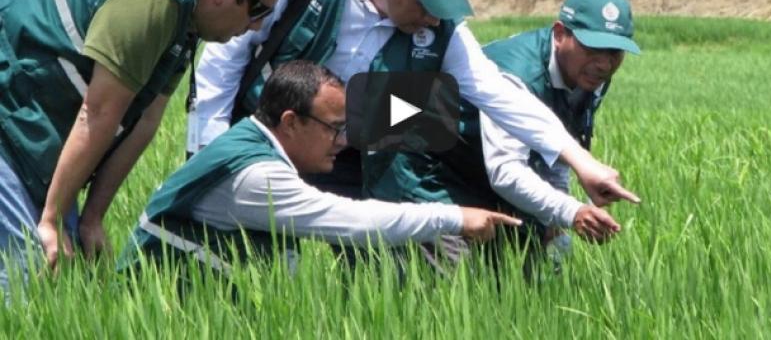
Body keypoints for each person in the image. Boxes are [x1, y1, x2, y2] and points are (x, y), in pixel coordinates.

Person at [190, 0, 638, 212]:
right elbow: (224, 58)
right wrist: (211, 151)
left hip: (355, 157)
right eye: (427, 6)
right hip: (269, 138)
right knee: (257, 262)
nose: (434, 20)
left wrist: (581, 162)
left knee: (377, 275)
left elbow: (495, 92)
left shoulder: (440, 27)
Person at [0, 0, 291, 293]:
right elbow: (100, 111)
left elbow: (146, 121)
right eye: (259, 10)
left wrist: (92, 217)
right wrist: (53, 218)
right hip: (9, 116)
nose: (258, 26)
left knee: (69, 282)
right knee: (27, 280)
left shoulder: (187, 16)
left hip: (31, 130)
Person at [117, 61, 521, 272]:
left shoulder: (251, 142)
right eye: (334, 128)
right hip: (168, 312)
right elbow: (353, 221)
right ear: (291, 121)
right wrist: (453, 217)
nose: (343, 141)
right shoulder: (255, 177)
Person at [366, 0, 641, 266]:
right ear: (560, 35)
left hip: (478, 169)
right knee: (458, 279)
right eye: (593, 48)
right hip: (430, 168)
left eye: (615, 52)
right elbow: (505, 170)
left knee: (525, 271)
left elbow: (558, 146)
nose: (605, 64)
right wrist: (570, 212)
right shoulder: (516, 74)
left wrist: (554, 220)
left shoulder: (588, 78)